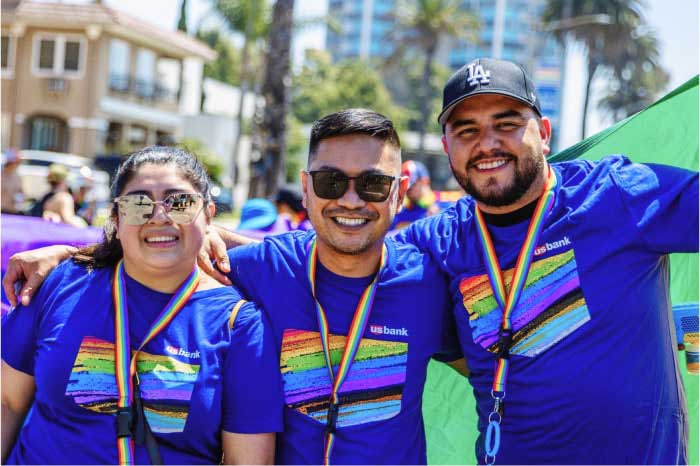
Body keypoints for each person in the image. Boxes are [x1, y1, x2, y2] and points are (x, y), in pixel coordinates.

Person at [3, 111, 465, 465]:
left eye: (373, 183)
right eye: (330, 181)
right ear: (306, 190)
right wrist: (67, 255)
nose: (350, 199)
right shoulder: (263, 269)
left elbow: (492, 365)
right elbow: (161, 249)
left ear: (399, 192)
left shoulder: (428, 284)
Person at [394, 57, 698, 464]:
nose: (487, 143)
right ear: (447, 147)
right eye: (467, 131)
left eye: (507, 124)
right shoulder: (437, 244)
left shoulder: (613, 195)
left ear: (544, 133)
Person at [1, 146, 282, 464]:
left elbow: (247, 461)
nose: (159, 217)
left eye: (180, 203)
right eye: (138, 204)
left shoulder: (238, 325)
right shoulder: (57, 283)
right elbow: (8, 403)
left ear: (208, 216)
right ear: (117, 220)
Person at [391, 160, 440, 230]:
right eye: (403, 186)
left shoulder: (444, 206)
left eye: (412, 185)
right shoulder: (398, 212)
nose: (407, 190)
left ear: (425, 182)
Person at [1, 149, 24, 214]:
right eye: (16, 162)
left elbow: (21, 192)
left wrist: (19, 198)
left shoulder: (17, 176)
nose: (18, 164)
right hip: (2, 211)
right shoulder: (2, 176)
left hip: (13, 211)